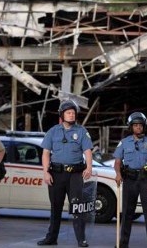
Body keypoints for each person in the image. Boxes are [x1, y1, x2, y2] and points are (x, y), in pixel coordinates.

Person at [37, 100, 93, 247]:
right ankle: (51, 238)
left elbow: (87, 150)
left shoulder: (81, 131)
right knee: (55, 207)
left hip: (75, 174)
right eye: (68, 112)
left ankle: (81, 239)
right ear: (62, 115)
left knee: (77, 207)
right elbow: (45, 153)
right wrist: (45, 172)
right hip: (56, 174)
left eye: (73, 113)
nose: (71, 115)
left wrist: (89, 167)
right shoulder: (53, 131)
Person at [114, 112, 147, 248]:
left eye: (140, 125)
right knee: (127, 213)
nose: (138, 128)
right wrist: (118, 174)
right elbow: (117, 162)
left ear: (144, 126)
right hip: (129, 180)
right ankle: (122, 244)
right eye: (135, 125)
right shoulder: (124, 143)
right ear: (131, 127)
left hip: (146, 180)